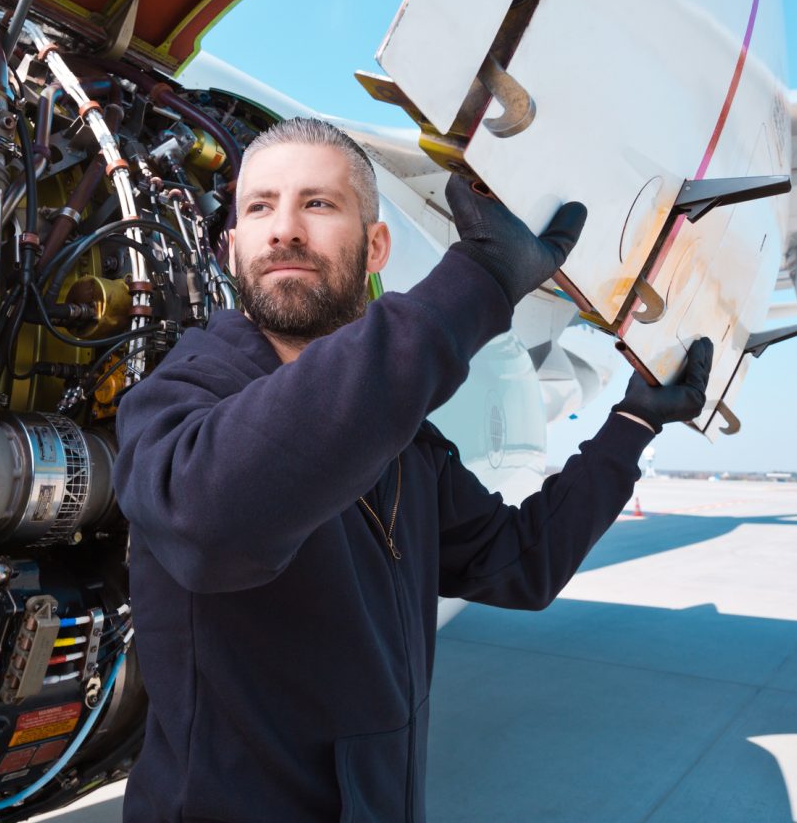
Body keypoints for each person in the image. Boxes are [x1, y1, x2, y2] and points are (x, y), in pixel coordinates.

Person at [112, 118, 712, 821]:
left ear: (376, 247)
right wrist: (479, 280)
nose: (284, 230)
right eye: (260, 207)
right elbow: (214, 523)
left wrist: (632, 427)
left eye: (317, 203)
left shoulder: (404, 446)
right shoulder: (177, 404)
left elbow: (522, 563)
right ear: (233, 245)